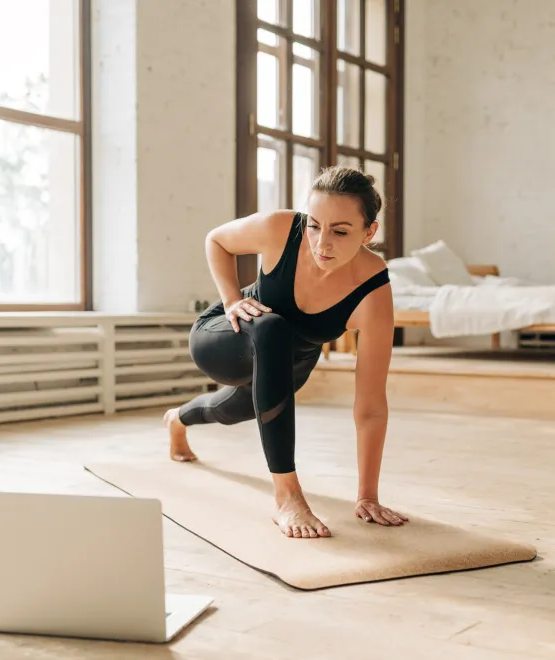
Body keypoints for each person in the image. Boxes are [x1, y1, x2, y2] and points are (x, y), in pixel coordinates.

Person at [162, 165, 408, 539]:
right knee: (273, 326)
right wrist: (230, 300)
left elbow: (371, 404)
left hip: (290, 362)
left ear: (369, 232)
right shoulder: (280, 228)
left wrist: (367, 495)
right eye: (314, 225)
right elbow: (217, 240)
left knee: (230, 410)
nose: (321, 242)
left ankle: (177, 420)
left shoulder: (373, 290)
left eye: (340, 231)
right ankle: (287, 496)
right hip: (227, 334)